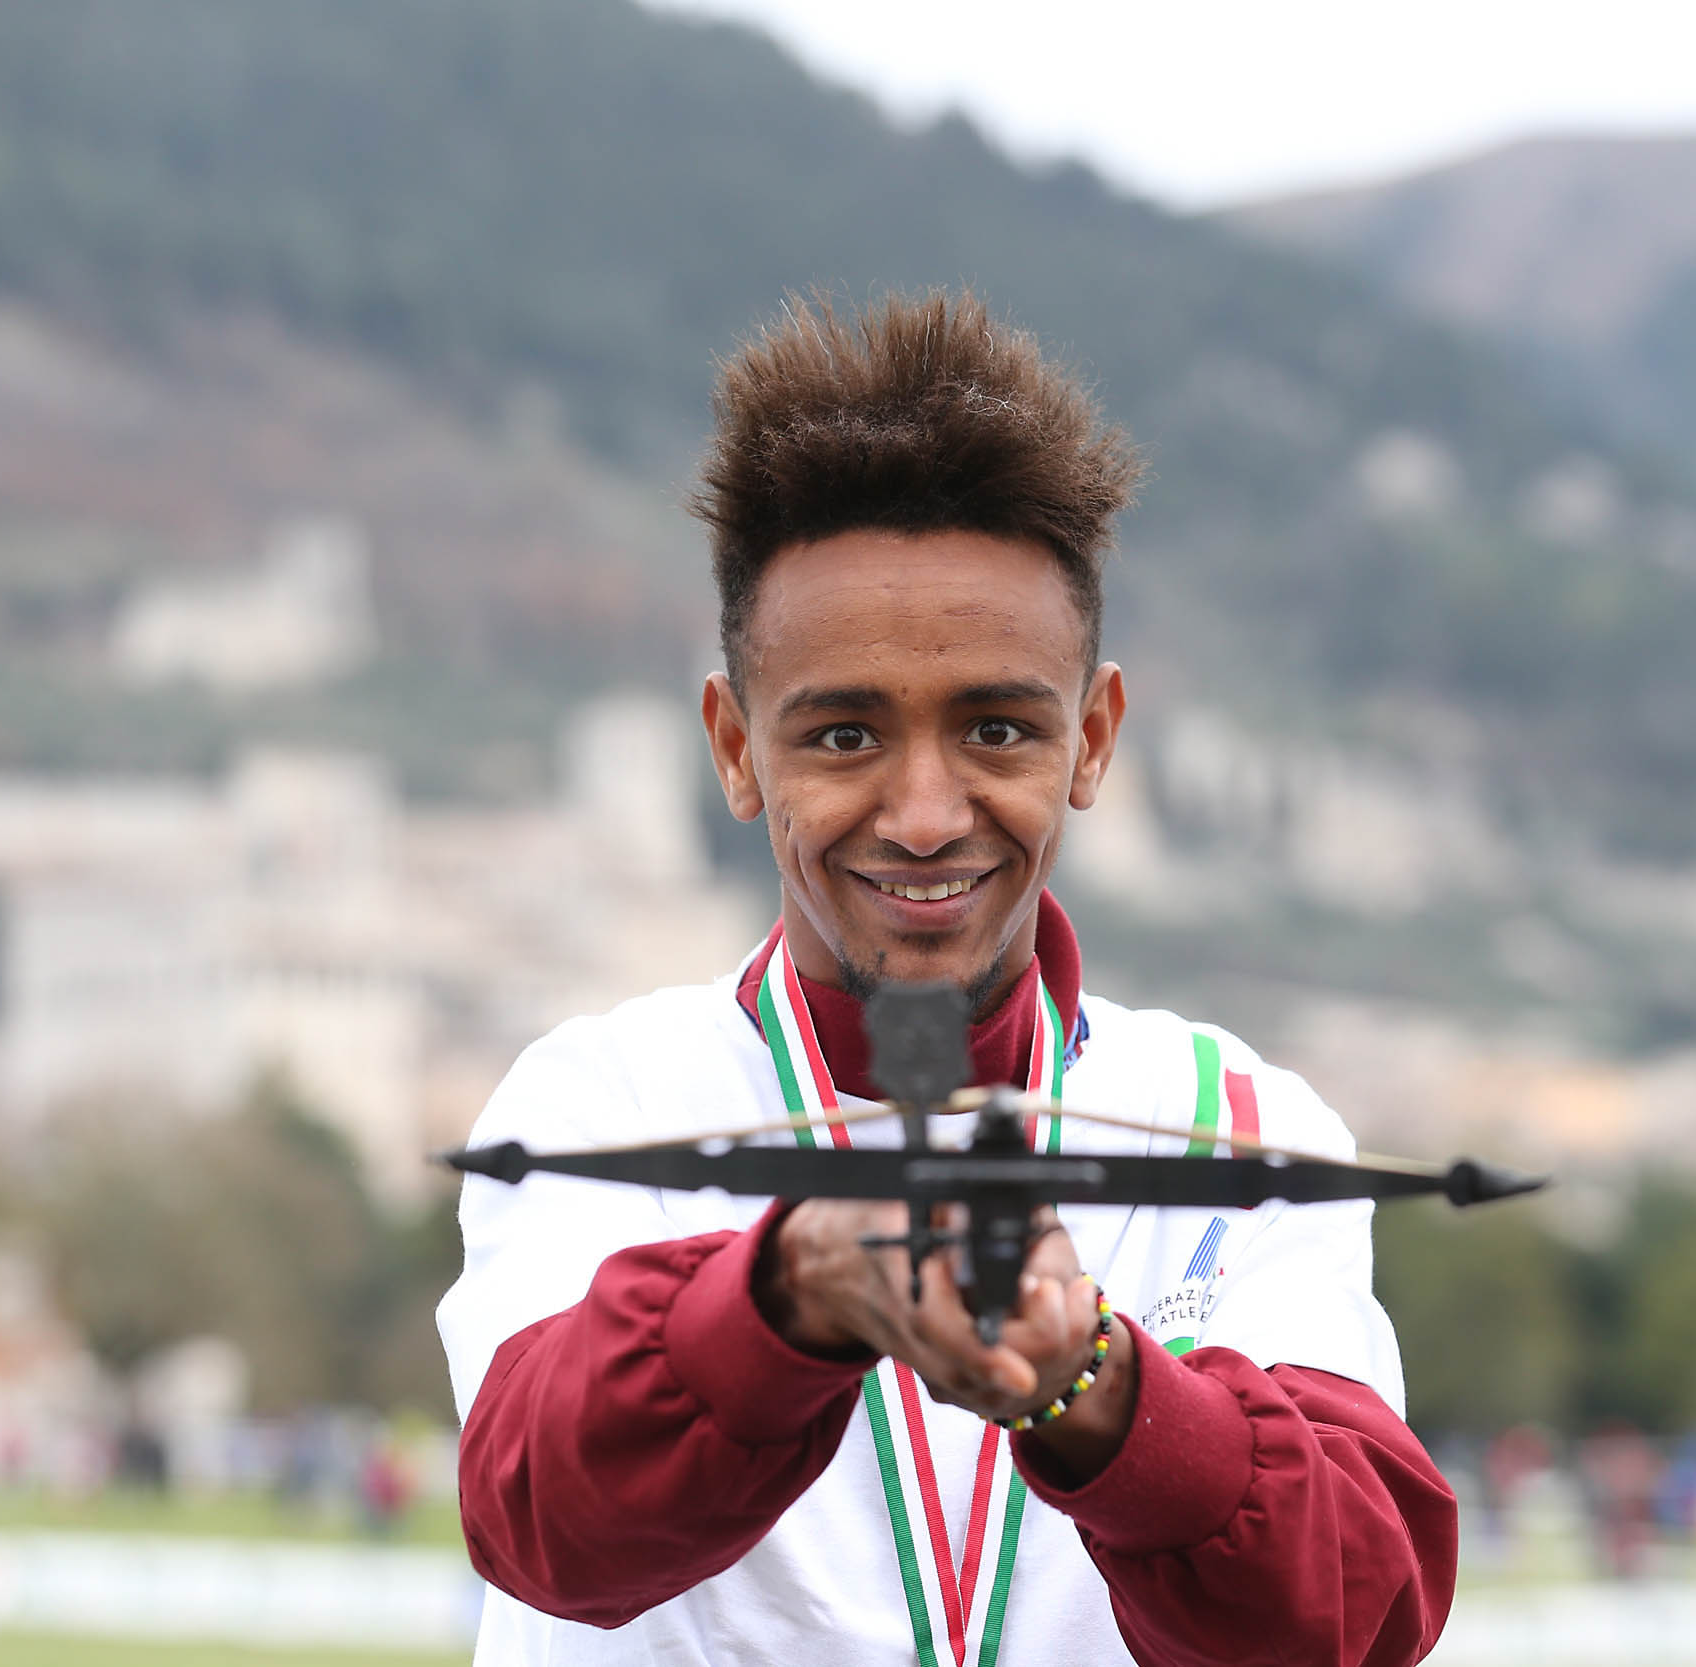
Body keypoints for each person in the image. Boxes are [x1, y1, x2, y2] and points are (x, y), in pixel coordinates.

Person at [437, 291, 1456, 1667]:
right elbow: (540, 1519)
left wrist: (1094, 1387)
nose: (924, 816)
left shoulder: (1244, 1130)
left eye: (995, 729)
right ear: (735, 749)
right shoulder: (596, 1106)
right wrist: (785, 1294)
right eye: (844, 736)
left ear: (1093, 737)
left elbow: (1356, 1615)